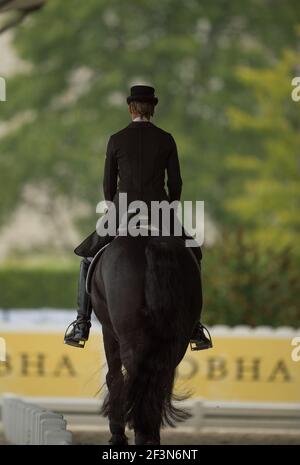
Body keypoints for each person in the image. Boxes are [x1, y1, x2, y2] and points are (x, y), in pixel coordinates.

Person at [64, 85, 212, 351]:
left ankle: (81, 323)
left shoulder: (116, 139)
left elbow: (108, 184)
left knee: (88, 257)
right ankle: (196, 327)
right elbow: (176, 182)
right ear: (152, 109)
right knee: (193, 253)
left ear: (131, 108)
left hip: (123, 208)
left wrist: (113, 206)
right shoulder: (166, 139)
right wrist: (169, 207)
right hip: (159, 209)